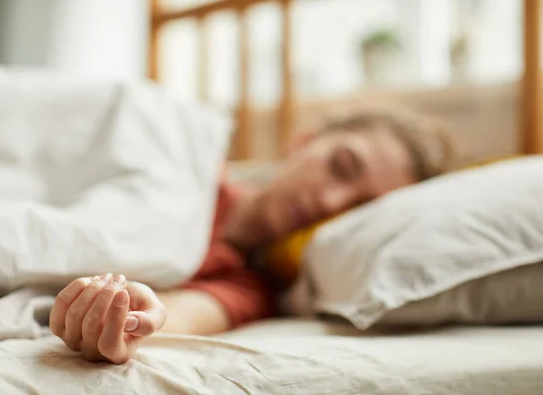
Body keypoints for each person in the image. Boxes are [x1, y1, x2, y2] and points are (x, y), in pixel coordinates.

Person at [49, 105, 456, 364]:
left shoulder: (250, 287)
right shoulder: (186, 171)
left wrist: (130, 315)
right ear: (304, 141)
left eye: (358, 209)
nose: (332, 202)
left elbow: (179, 314)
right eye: (341, 166)